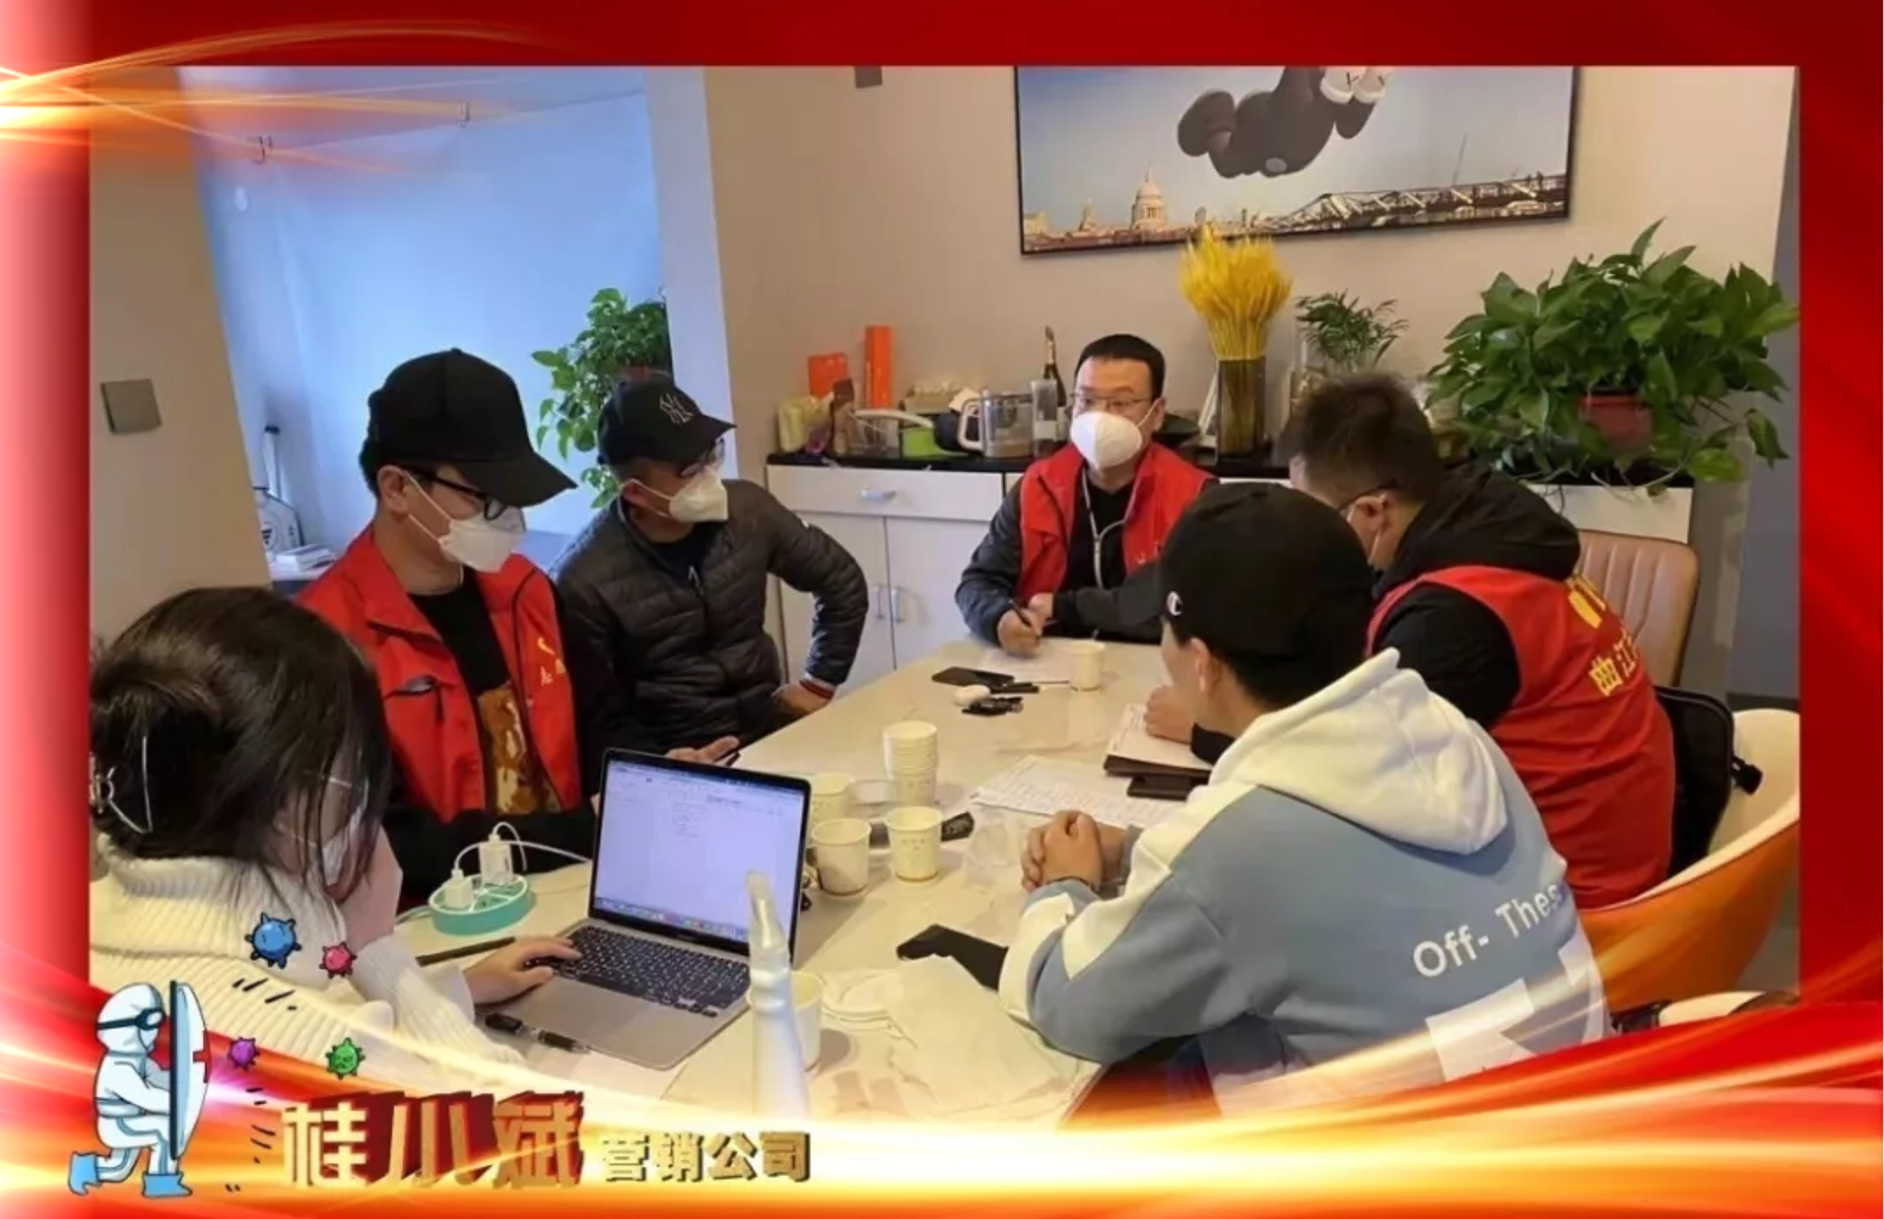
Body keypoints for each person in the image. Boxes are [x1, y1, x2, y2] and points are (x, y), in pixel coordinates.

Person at [1006, 484, 1608, 1112]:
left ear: (1203, 663)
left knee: (1111, 1094)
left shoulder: (1239, 848)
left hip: (1390, 1155)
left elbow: (1067, 1004)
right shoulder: (1455, 735)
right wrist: (1137, 851)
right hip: (1574, 1120)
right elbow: (1344, 885)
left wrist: (1064, 886)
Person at [1146, 375, 1675, 908]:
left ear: (1373, 511)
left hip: (1568, 903)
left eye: (1312, 515)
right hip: (1586, 852)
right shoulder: (1481, 526)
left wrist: (1211, 727)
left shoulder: (1452, 617)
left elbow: (1355, 781)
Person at [88, 588, 574, 1093]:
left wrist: (457, 990)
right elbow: (527, 1120)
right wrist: (377, 949)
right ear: (286, 795)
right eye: (351, 771)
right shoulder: (296, 1045)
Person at [298, 350, 735, 905]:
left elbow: (602, 719)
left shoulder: (526, 590)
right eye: (484, 498)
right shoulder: (321, 643)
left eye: (513, 498)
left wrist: (648, 778)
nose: (508, 519)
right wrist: (588, 827)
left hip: (568, 890)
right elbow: (392, 845)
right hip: (441, 923)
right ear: (397, 488)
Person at [553, 377, 869, 753]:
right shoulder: (583, 580)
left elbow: (841, 580)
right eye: (689, 470)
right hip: (679, 756)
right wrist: (663, 766)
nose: (708, 475)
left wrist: (819, 682)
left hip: (769, 732)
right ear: (636, 492)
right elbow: (596, 716)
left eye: (710, 454)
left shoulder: (748, 511)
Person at [956, 334, 1212, 655]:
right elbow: (978, 582)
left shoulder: (1195, 496)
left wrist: (1066, 607)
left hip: (1153, 663)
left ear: (1157, 413)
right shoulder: (1039, 485)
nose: (1101, 416)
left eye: (1120, 403)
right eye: (1087, 401)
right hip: (1047, 658)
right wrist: (998, 618)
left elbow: (1181, 604)